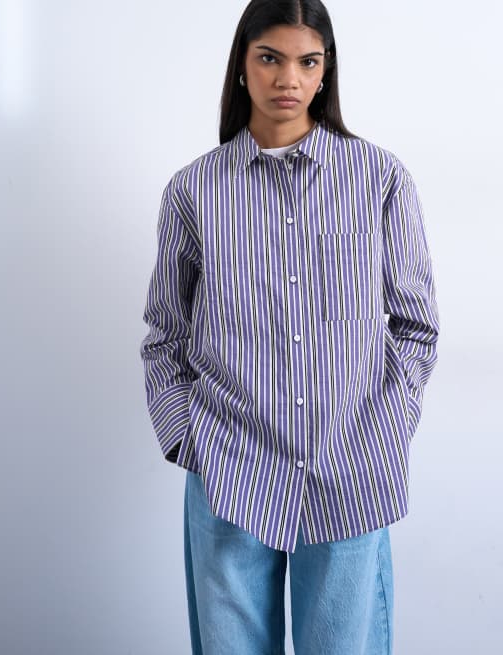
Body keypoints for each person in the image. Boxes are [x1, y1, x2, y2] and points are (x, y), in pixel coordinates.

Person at [139, 0, 440, 653]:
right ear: (241, 65)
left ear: (326, 71)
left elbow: (416, 325)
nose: (288, 79)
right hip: (229, 469)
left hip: (351, 469)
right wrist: (189, 439)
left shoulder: (380, 179)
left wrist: (385, 429)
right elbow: (166, 335)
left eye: (308, 62)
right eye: (270, 58)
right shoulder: (194, 191)